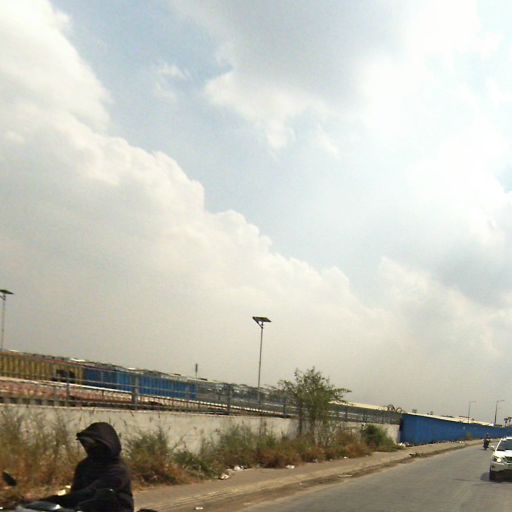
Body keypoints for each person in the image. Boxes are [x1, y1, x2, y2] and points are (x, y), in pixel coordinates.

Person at [45, 422, 133, 512]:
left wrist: (57, 500)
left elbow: (91, 492)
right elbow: (76, 493)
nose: (87, 447)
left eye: (91, 444)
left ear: (104, 444)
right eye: (85, 443)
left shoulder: (118, 469)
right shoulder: (84, 466)